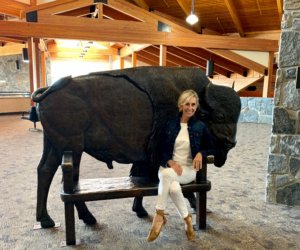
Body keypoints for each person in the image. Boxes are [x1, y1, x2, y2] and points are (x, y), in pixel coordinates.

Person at [147, 89, 215, 242]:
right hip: (168, 166)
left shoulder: (200, 127)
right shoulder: (170, 125)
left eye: (193, 104)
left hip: (188, 170)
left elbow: (212, 147)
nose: (190, 108)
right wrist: (170, 162)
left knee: (165, 176)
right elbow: (161, 149)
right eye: (187, 104)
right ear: (180, 106)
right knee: (172, 186)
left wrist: (200, 154)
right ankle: (187, 220)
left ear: (196, 106)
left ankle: (159, 216)